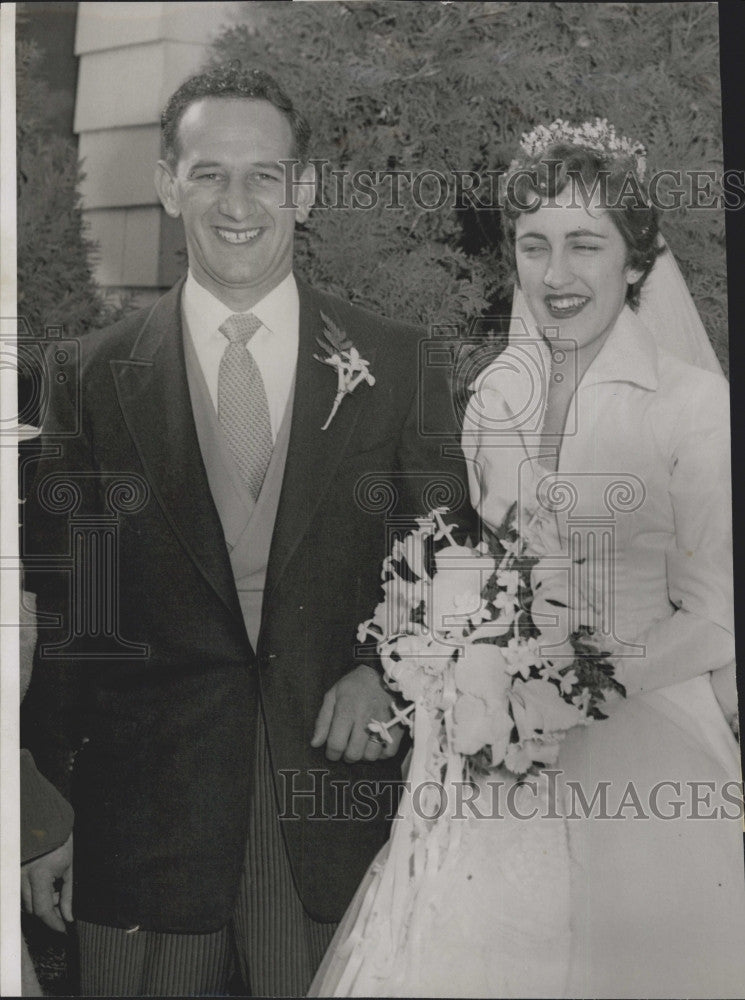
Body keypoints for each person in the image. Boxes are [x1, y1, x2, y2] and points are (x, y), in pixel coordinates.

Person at [20, 64, 474, 997]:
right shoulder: (87, 377)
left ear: (302, 190)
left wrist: (382, 669)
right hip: (144, 839)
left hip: (331, 829)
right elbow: (74, 614)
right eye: (208, 173)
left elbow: (451, 566)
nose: (236, 203)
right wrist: (45, 812)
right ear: (165, 183)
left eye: (263, 174)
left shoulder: (400, 362)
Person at [310, 121, 745, 997]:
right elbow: (474, 560)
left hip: (640, 747)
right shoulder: (492, 401)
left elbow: (714, 616)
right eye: (533, 245)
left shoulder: (692, 405)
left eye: (585, 245)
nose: (555, 274)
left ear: (635, 260)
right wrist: (448, 656)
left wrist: (569, 688)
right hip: (484, 750)